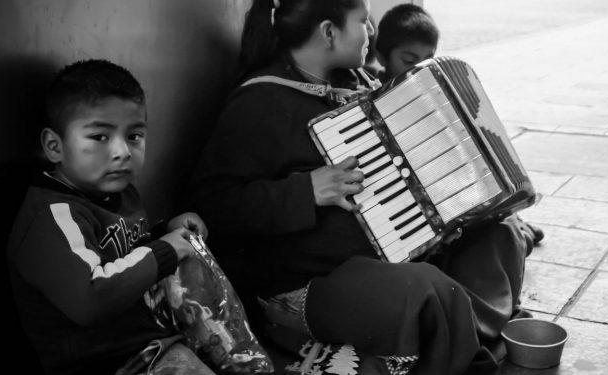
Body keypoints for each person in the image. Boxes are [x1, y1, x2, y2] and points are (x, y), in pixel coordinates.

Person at [190, 0, 541, 374]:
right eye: (363, 21)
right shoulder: (259, 101)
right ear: (329, 32)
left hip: (391, 254)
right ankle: (470, 329)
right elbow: (213, 205)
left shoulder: (363, 84)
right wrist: (305, 190)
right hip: (309, 281)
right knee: (423, 291)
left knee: (500, 232)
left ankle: (461, 328)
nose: (372, 31)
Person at [6, 59, 215, 375]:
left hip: (151, 343)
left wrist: (167, 233)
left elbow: (128, 254)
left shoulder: (120, 190)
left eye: (134, 136)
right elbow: (92, 296)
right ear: (54, 146)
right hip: (110, 364)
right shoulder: (51, 217)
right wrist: (166, 250)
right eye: (100, 137)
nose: (122, 151)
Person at [374, 3, 439, 83]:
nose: (421, 72)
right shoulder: (372, 93)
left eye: (428, 62)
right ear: (381, 57)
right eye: (409, 61)